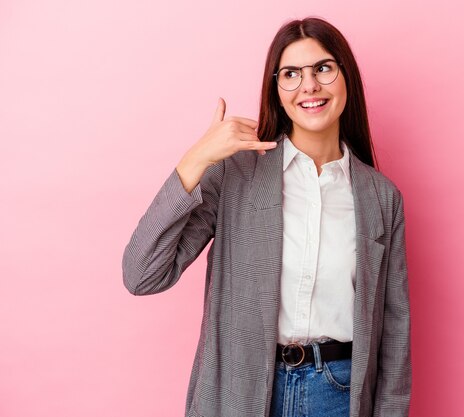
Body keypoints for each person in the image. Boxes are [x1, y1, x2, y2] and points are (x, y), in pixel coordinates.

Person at [122, 17, 411, 417]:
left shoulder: (381, 198)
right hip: (239, 393)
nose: (309, 86)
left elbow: (394, 339)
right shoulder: (237, 173)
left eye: (323, 68)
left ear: (346, 77)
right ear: (276, 89)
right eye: (291, 74)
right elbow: (141, 274)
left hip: (338, 395)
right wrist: (196, 159)